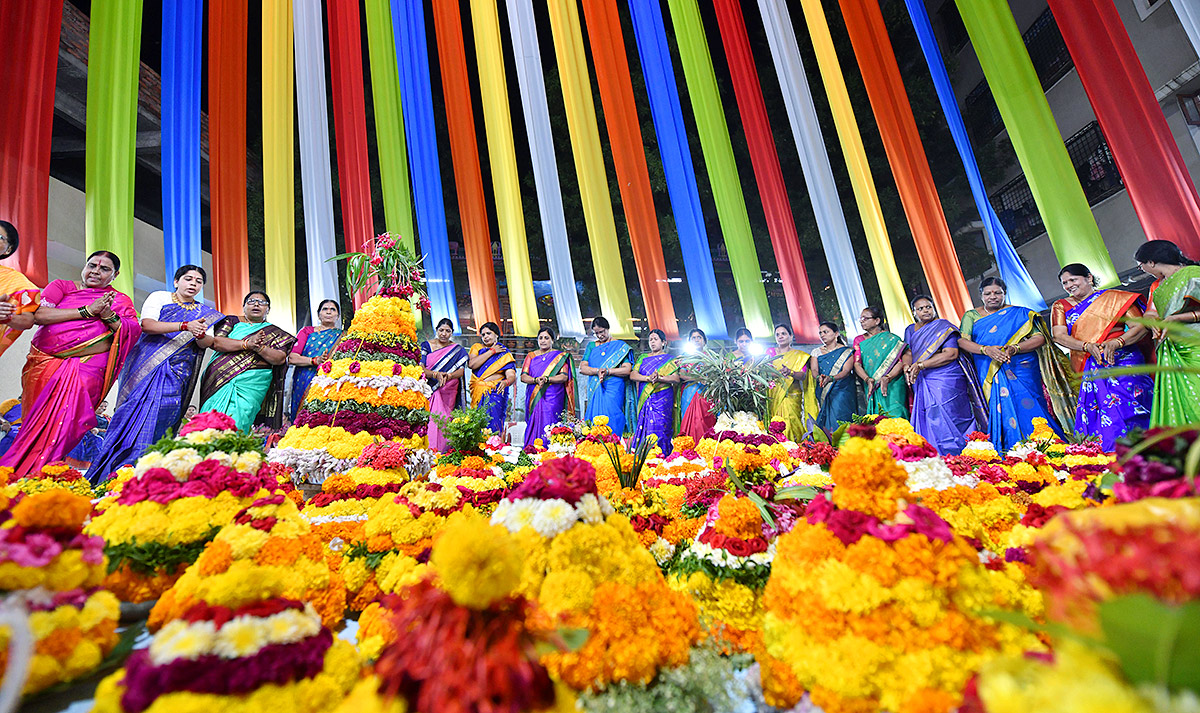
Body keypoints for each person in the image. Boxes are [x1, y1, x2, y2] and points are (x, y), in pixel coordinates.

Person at [0, 251, 140, 477]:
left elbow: (131, 332)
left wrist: (107, 315)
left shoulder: (119, 300)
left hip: (87, 368)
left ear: (115, 275)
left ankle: (45, 475)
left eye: (104, 269)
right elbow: (40, 315)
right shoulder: (62, 286)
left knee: (65, 425)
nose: (95, 271)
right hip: (44, 363)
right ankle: (17, 473)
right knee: (33, 425)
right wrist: (87, 311)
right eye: (92, 265)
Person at [87, 265, 224, 482]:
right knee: (132, 414)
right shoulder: (160, 297)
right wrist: (185, 326)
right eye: (188, 279)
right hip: (147, 367)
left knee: (163, 417)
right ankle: (118, 473)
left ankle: (148, 474)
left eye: (198, 282)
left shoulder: (204, 313)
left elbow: (208, 341)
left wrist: (198, 333)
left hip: (178, 372)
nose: (193, 284)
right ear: (177, 282)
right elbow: (147, 325)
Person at [958, 277, 1077, 451]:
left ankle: (1049, 445)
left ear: (1004, 294)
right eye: (988, 293)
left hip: (1022, 366)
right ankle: (1013, 449)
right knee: (1002, 408)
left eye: (998, 293)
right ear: (981, 296)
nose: (993, 296)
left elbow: (1039, 338)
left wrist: (1015, 348)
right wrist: (986, 350)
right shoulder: (971, 316)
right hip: (989, 367)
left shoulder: (1021, 313)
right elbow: (962, 341)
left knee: (1031, 402)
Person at [1050, 263, 1153, 449]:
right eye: (1064, 283)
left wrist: (1117, 342)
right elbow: (1058, 335)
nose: (1069, 285)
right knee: (1104, 411)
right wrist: (1086, 346)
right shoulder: (1061, 305)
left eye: (1073, 279)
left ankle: (1151, 446)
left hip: (1125, 358)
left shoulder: (1115, 298)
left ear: (1089, 278)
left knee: (1134, 404)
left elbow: (1140, 326)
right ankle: (1111, 453)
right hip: (1092, 361)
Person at [198, 291, 295, 432]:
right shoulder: (231, 321)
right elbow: (216, 342)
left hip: (252, 383)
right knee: (209, 422)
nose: (256, 304)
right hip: (221, 379)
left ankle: (235, 452)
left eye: (262, 302)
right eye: (251, 301)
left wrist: (259, 347)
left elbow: (280, 358)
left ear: (268, 309)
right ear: (243, 306)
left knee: (239, 421)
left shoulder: (276, 333)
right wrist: (247, 344)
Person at [902, 295, 987, 454]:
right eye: (920, 309)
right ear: (914, 313)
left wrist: (921, 365)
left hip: (946, 377)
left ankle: (963, 452)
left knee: (950, 413)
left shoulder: (944, 327)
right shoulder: (910, 330)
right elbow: (908, 352)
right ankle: (935, 452)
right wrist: (907, 366)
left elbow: (951, 354)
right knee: (929, 414)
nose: (925, 311)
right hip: (922, 378)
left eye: (928, 307)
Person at [1137, 240, 1200, 427]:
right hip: (1172, 348)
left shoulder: (1193, 274)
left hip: (1195, 343)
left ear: (1151, 262)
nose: (1142, 269)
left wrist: (1177, 318)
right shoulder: (1157, 286)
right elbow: (1151, 312)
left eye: (1141, 265)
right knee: (1183, 397)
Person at [288, 299, 343, 419]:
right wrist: (314, 361)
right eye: (325, 309)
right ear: (319, 315)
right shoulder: (307, 332)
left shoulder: (343, 336)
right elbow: (292, 358)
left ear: (338, 316)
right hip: (305, 377)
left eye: (333, 309)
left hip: (330, 380)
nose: (329, 312)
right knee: (302, 417)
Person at [578, 316, 633, 435]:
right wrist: (598, 371)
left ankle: (614, 445)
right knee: (595, 419)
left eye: (602, 332)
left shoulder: (619, 346)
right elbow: (582, 368)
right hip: (596, 385)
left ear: (608, 329)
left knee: (613, 415)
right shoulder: (591, 346)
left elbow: (627, 369)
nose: (599, 336)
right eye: (596, 333)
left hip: (614, 386)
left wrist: (608, 371)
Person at [520, 327, 574, 447]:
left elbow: (564, 376)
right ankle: (532, 449)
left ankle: (552, 450)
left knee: (551, 420)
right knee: (534, 421)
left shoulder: (559, 357)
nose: (543, 341)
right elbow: (523, 376)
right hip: (535, 394)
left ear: (552, 340)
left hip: (553, 396)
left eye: (546, 338)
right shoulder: (531, 356)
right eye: (540, 338)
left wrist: (547, 379)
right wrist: (535, 380)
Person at [852, 306, 908, 419]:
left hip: (893, 383)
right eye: (861, 319)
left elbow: (900, 362)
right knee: (877, 418)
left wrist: (888, 377)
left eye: (865, 318)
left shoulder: (892, 339)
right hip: (871, 383)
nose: (862, 321)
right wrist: (867, 379)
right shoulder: (859, 340)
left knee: (896, 414)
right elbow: (857, 364)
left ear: (877, 321)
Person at [422, 318, 468, 451]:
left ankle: (444, 451)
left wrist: (449, 376)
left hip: (449, 389)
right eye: (441, 330)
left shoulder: (457, 350)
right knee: (432, 419)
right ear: (436, 330)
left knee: (446, 420)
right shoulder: (426, 345)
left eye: (447, 331)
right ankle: (431, 449)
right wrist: (436, 375)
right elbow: (421, 368)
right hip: (431, 387)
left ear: (452, 333)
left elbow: (461, 370)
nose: (444, 333)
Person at [767, 323, 818, 440]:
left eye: (783, 334)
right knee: (775, 422)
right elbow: (764, 371)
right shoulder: (769, 353)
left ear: (790, 337)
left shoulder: (799, 356)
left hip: (792, 394)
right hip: (774, 394)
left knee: (793, 421)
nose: (780, 336)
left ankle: (796, 448)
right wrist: (778, 373)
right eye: (777, 334)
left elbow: (803, 375)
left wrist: (790, 372)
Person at [631, 328, 679, 452]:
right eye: (650, 339)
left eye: (655, 339)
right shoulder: (643, 357)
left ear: (664, 342)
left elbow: (676, 378)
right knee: (645, 424)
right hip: (646, 397)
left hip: (663, 398)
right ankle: (644, 455)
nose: (652, 342)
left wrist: (660, 378)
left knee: (661, 424)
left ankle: (663, 455)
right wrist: (648, 378)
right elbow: (633, 375)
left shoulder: (670, 359)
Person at [0, 221, 40, 358]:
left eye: (0, 237)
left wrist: (7, 317)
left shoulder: (15, 282)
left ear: (8, 249)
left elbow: (27, 320)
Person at [467, 321, 516, 433]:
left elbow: (511, 375)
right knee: (478, 425)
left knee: (494, 424)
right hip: (479, 393)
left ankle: (494, 448)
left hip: (495, 392)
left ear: (496, 335)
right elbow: (472, 364)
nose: (485, 337)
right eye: (483, 335)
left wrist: (506, 382)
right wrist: (492, 351)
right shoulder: (477, 348)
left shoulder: (504, 353)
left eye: (488, 333)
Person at [813, 321, 856, 433]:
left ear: (836, 333)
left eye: (825, 332)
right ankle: (829, 447)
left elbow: (846, 371)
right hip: (824, 388)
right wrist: (820, 378)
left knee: (841, 415)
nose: (822, 335)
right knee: (826, 418)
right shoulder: (816, 352)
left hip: (842, 389)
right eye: (820, 333)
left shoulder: (846, 351)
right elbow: (814, 370)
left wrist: (831, 378)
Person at [678, 328, 716, 440]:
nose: (696, 340)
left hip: (707, 393)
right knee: (690, 421)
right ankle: (689, 449)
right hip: (690, 393)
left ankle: (706, 447)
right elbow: (682, 374)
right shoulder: (685, 356)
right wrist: (697, 378)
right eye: (693, 338)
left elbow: (716, 374)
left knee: (705, 421)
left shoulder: (711, 357)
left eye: (699, 337)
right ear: (689, 341)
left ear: (704, 341)